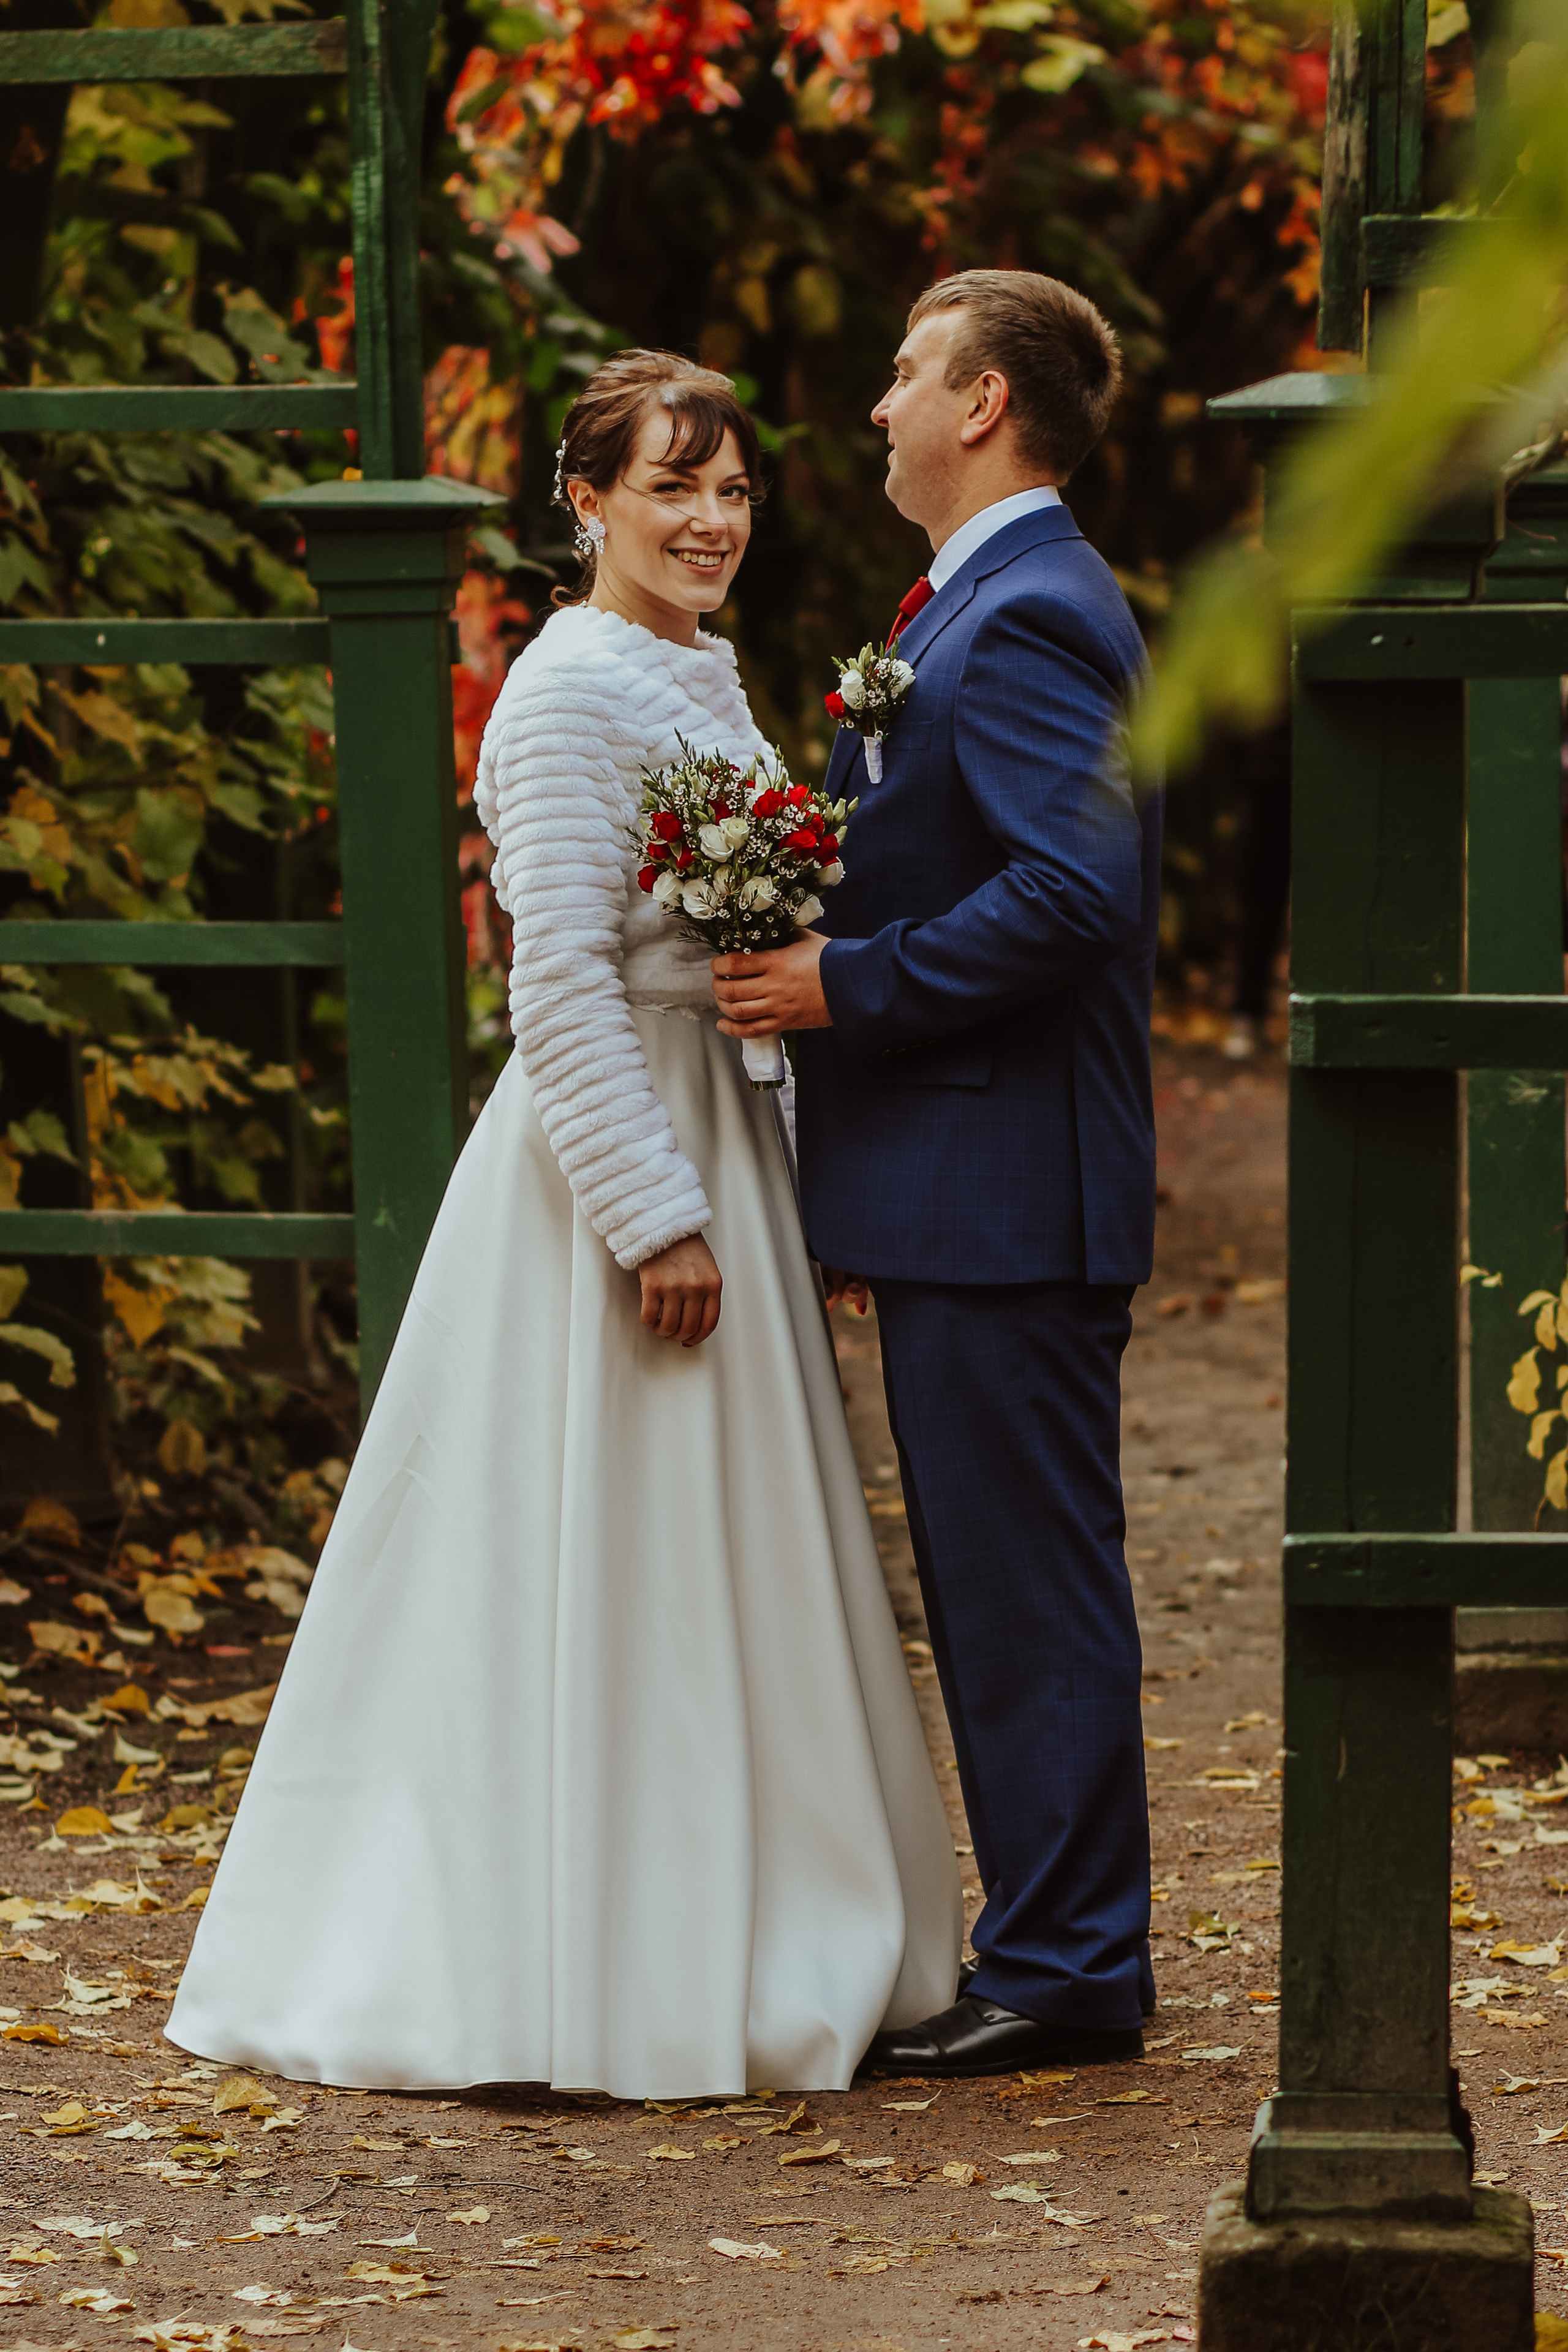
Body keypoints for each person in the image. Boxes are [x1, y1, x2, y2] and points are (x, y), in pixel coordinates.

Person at [166, 349, 961, 2100]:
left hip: (728, 1135)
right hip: (620, 1167)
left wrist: (785, 1173)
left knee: (722, 1550)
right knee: (591, 1541)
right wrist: (652, 1220)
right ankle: (557, 1956)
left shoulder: (698, 669)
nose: (710, 519)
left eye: (733, 487)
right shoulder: (560, 690)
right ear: (584, 502)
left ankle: (741, 1911)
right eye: (672, 485)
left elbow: (735, 961)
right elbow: (562, 981)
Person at [712, 270, 1160, 2075]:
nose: (881, 402)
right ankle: (1059, 1943)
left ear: (983, 405)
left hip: (1012, 1187)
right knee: (995, 1578)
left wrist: (842, 986)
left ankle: (1067, 1966)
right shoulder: (980, 601)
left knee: (1026, 1581)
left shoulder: (1034, 612)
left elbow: (1076, 893)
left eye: (906, 373)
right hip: (962, 1178)